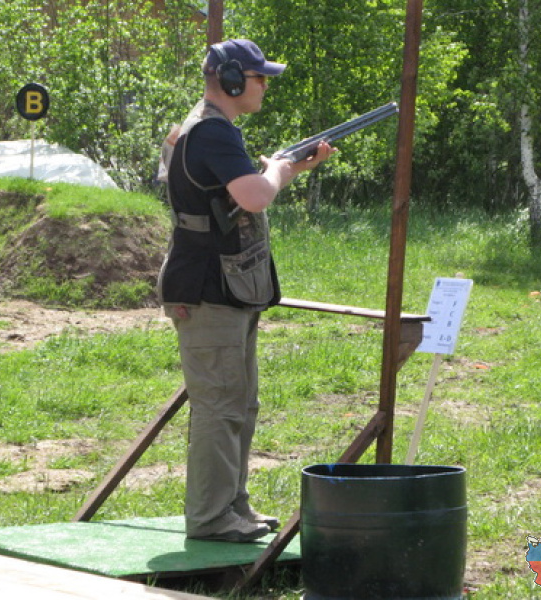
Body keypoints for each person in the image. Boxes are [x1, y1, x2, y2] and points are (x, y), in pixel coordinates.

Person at [157, 39, 335, 542]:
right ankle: (211, 517)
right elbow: (255, 196)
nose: (263, 87)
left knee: (238, 402)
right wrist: (276, 170)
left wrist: (288, 169)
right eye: (259, 78)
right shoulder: (212, 131)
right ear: (233, 79)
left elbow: (234, 200)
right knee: (219, 406)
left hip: (223, 286)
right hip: (208, 287)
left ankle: (231, 506)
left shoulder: (207, 127)